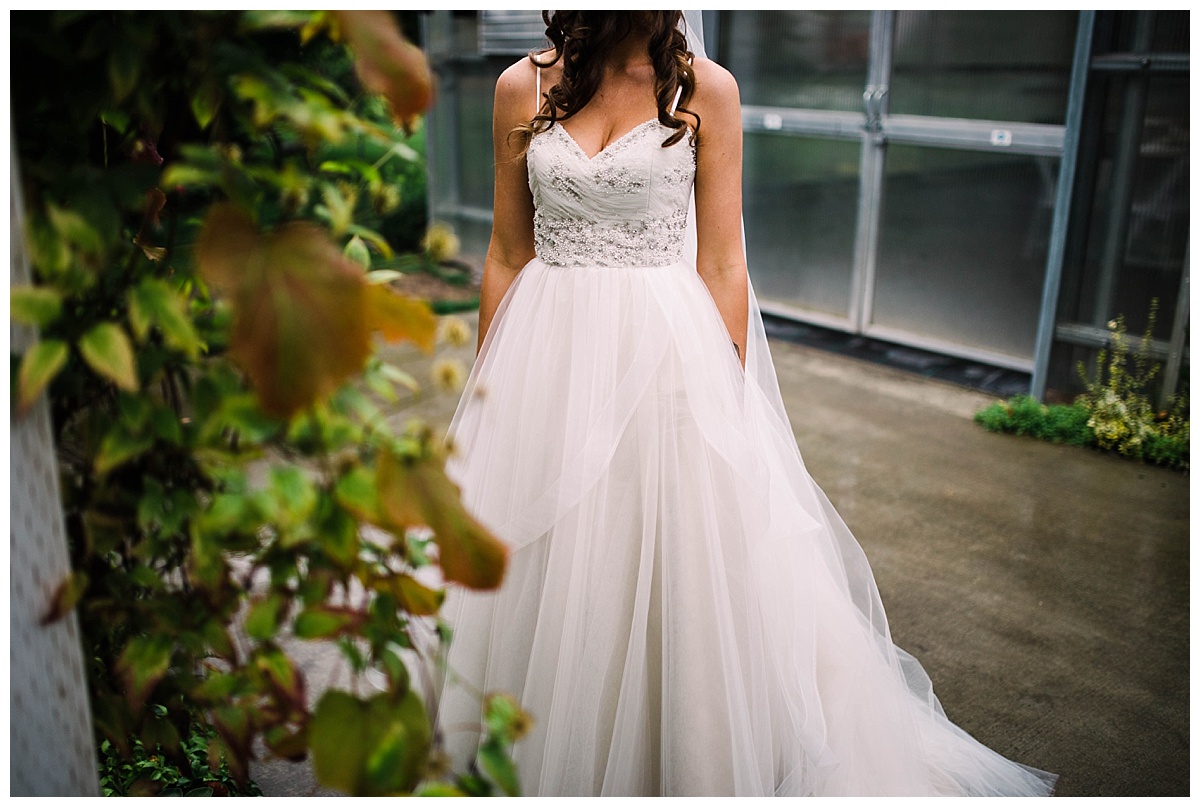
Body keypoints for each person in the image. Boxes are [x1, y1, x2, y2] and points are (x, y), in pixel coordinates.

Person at [434, 10, 1057, 797]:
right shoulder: (520, 85)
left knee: (666, 560)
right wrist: (489, 387)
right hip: (545, 358)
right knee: (547, 555)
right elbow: (506, 251)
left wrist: (723, 393)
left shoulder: (706, 89)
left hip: (664, 356)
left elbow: (724, 261)